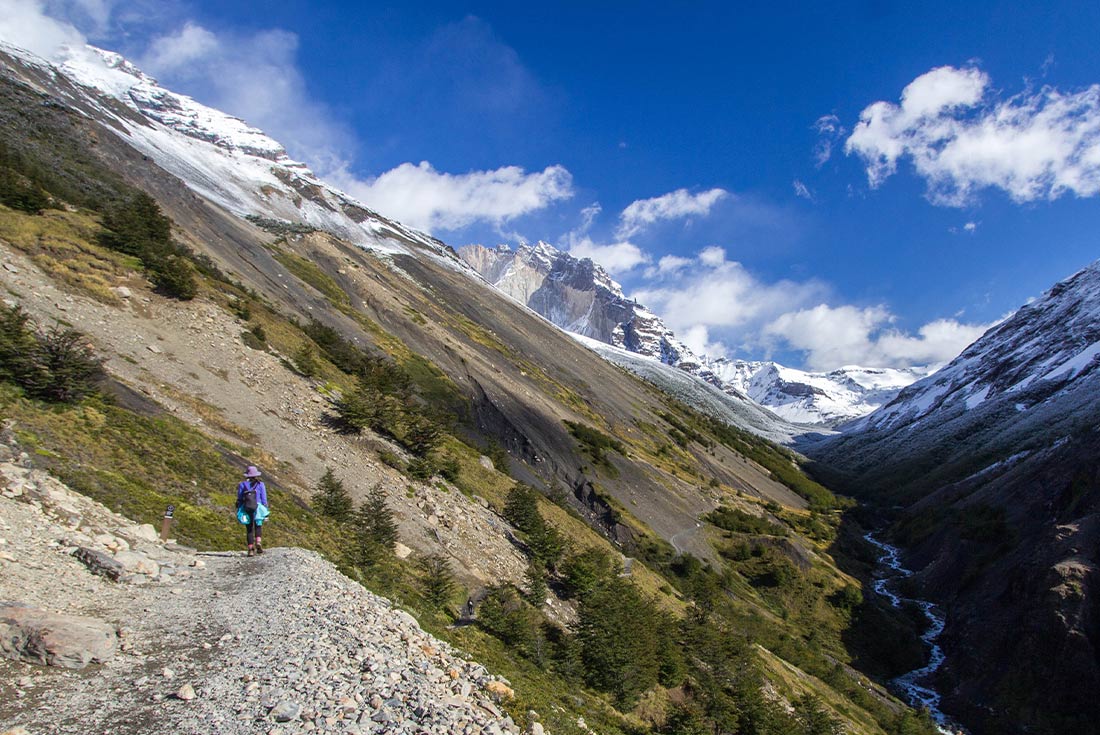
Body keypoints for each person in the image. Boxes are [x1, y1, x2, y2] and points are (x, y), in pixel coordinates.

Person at [236, 465, 269, 556]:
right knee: (258, 525)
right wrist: (266, 510)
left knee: (249, 528)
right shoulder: (260, 484)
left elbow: (239, 497)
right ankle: (258, 541)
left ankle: (250, 549)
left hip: (246, 507)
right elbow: (264, 498)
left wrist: (239, 506)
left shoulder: (242, 484)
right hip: (258, 507)